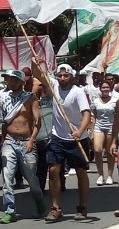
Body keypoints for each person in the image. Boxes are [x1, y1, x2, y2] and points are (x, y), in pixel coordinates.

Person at [32, 62, 92, 222]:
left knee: (81, 172)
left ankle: (82, 206)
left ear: (72, 77)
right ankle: (55, 208)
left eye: (66, 75)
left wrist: (80, 131)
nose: (62, 78)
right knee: (53, 171)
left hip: (78, 138)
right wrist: (35, 61)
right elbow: (37, 73)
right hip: (57, 137)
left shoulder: (78, 92)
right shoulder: (53, 86)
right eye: (59, 75)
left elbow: (86, 114)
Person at [0, 70, 45, 224]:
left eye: (12, 80)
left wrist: (32, 140)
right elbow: (5, 121)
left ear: (20, 82)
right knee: (7, 176)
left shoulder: (31, 98)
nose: (8, 82)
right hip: (10, 141)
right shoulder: (5, 98)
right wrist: (3, 140)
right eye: (7, 80)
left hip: (26, 141)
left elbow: (38, 122)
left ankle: (39, 204)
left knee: (31, 178)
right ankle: (9, 211)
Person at [91, 81, 118, 185]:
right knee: (97, 150)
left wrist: (115, 136)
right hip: (99, 127)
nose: (105, 89)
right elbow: (93, 116)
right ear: (100, 89)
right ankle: (100, 175)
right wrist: (92, 131)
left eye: (107, 87)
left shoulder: (115, 101)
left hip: (111, 127)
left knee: (110, 151)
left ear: (110, 89)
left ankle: (110, 176)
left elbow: (117, 118)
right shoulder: (96, 101)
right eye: (103, 87)